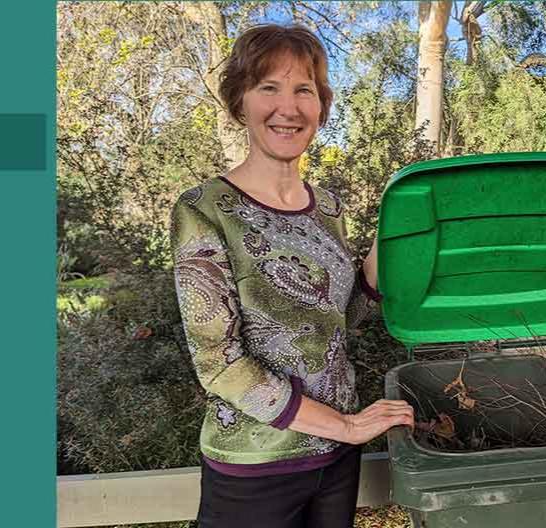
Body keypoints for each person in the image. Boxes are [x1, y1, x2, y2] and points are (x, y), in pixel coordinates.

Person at [169, 24, 414, 528]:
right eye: (269, 87)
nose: (290, 106)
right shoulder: (204, 209)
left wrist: (386, 254)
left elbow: (339, 325)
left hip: (334, 458)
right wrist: (346, 424)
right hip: (254, 467)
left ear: (320, 107)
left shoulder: (329, 208)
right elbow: (219, 365)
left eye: (304, 89)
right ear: (240, 103)